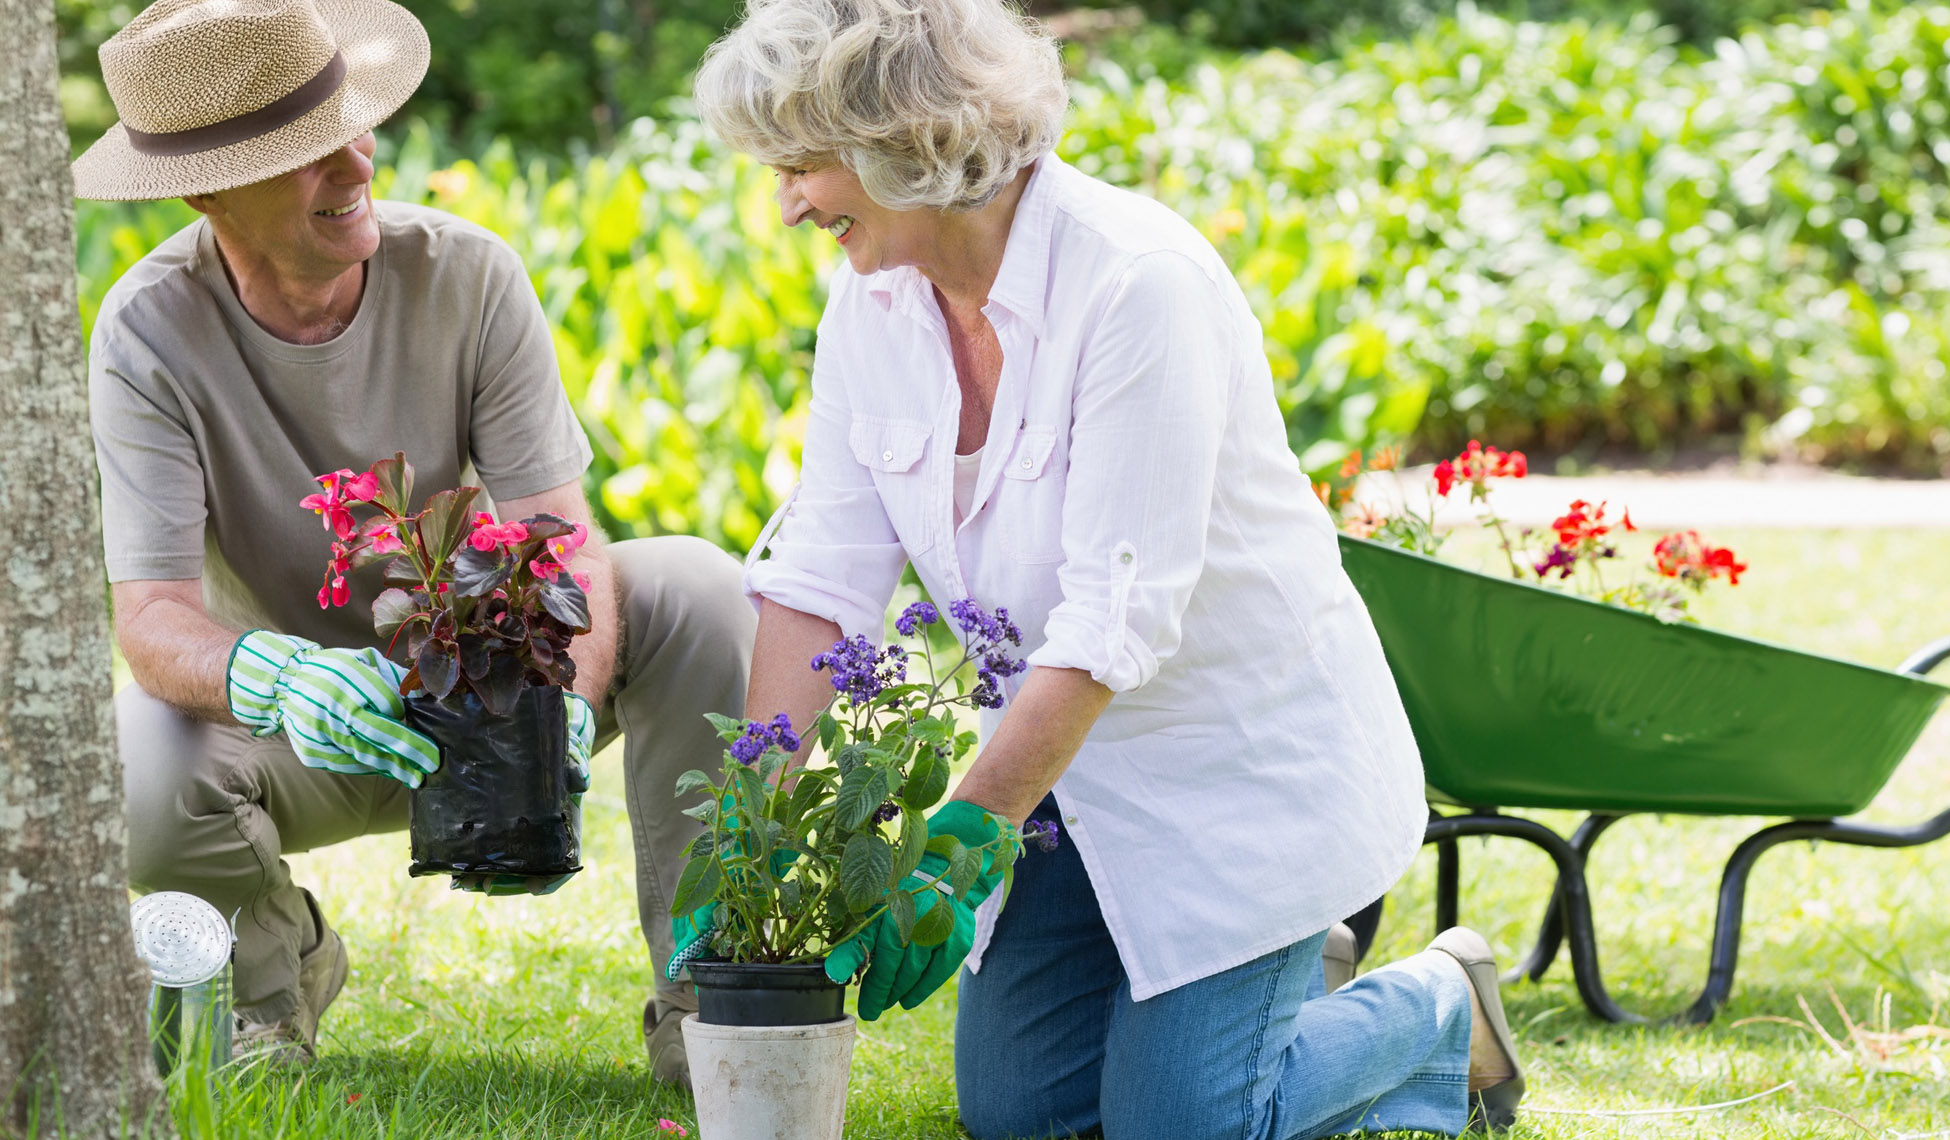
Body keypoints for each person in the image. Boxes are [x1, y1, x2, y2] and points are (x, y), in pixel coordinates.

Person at [688, 0, 1531, 1135]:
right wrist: (756, 813)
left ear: (903, 138)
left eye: (802, 164)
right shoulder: (871, 304)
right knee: (1019, 1119)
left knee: (1183, 1125)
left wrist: (957, 850)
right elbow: (823, 574)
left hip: (1233, 784)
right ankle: (1250, 995)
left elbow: (1110, 624)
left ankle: (1435, 1005)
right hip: (1064, 797)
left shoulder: (1138, 284)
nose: (786, 199)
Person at [74, 0, 751, 1081]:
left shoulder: (467, 274)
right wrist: (271, 671)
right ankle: (272, 983)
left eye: (351, 125)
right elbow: (152, 619)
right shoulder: (148, 331)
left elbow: (559, 537)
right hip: (308, 729)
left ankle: (709, 1006)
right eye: (302, 156)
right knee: (129, 769)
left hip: (491, 682)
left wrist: (560, 707)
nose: (353, 166)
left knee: (699, 589)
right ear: (204, 191)